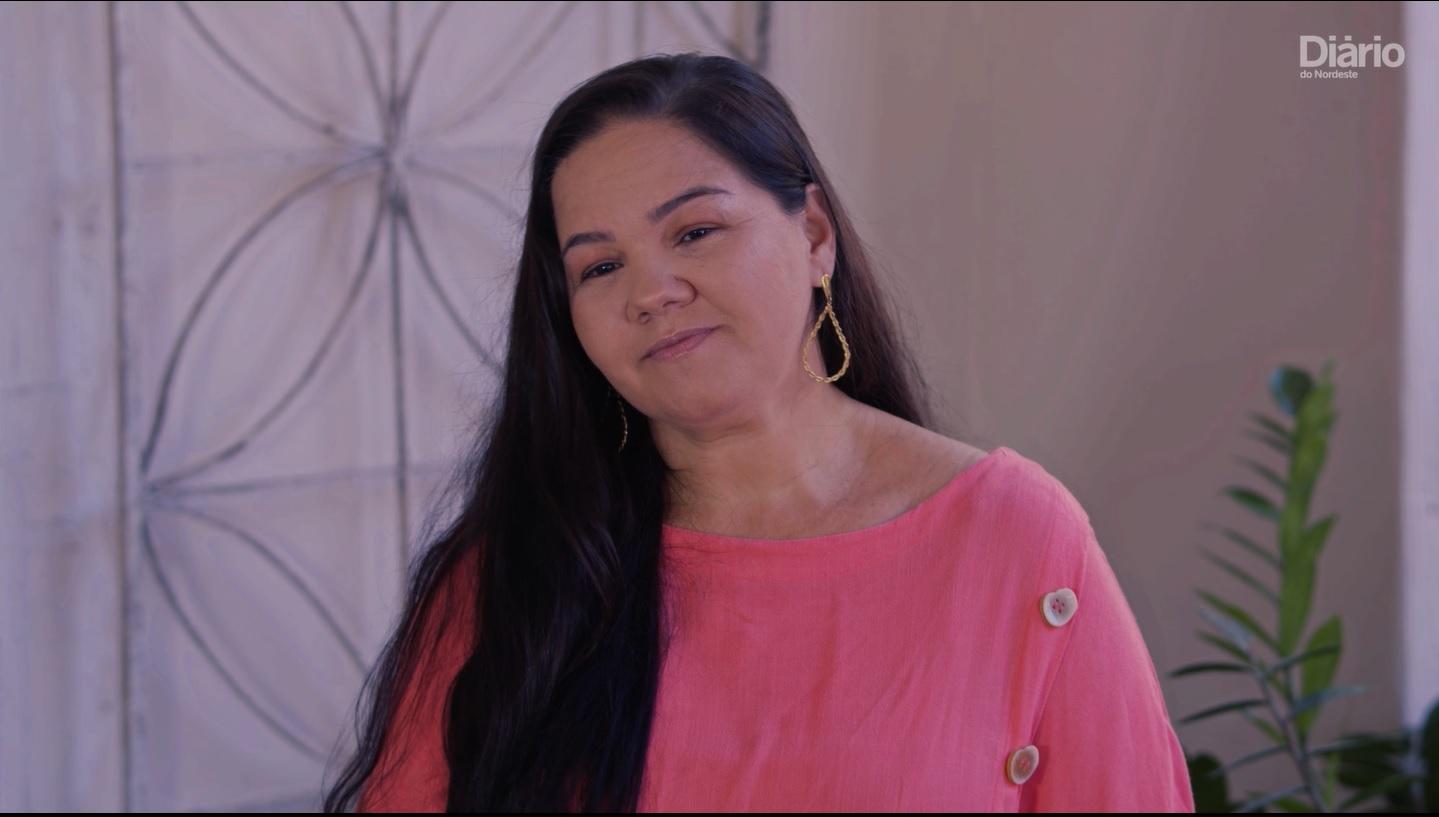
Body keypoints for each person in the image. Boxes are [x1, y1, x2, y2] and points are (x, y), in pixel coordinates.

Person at [322, 52, 1194, 812]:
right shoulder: (518, 575)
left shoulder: (1019, 541)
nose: (649, 292)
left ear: (813, 235)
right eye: (600, 265)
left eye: (695, 231)